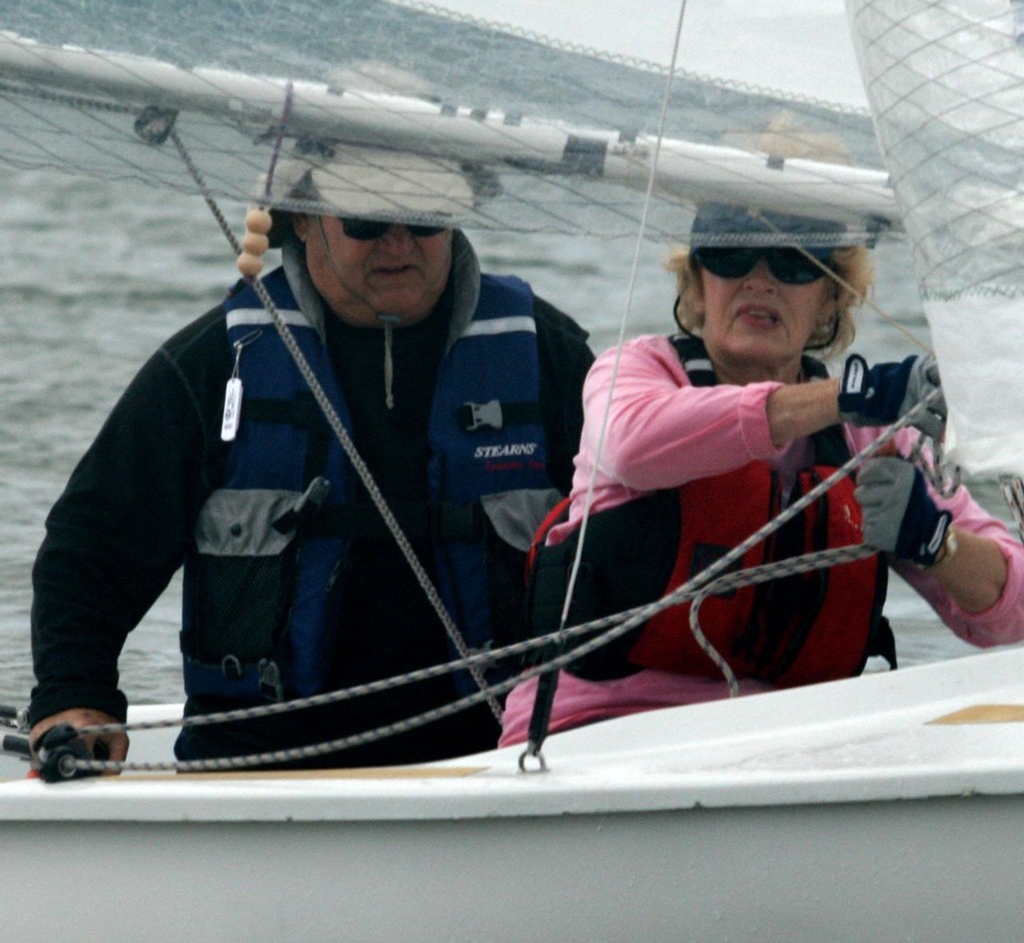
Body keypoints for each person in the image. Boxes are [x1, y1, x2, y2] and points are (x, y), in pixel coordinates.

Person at [27, 146, 594, 768]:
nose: (399, 245)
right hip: (261, 769)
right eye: (367, 222)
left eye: (427, 219)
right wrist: (75, 697)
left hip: (496, 760)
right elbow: (93, 545)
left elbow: (630, 539)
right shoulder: (220, 362)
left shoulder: (549, 357)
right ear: (301, 217)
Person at [500, 200, 1024, 746]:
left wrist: (937, 543)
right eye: (732, 258)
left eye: (794, 264)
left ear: (831, 299)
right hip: (595, 735)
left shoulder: (871, 440)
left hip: (787, 744)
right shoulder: (635, 375)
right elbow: (632, 448)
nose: (760, 282)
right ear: (698, 288)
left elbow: (1010, 616)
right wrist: (844, 395)